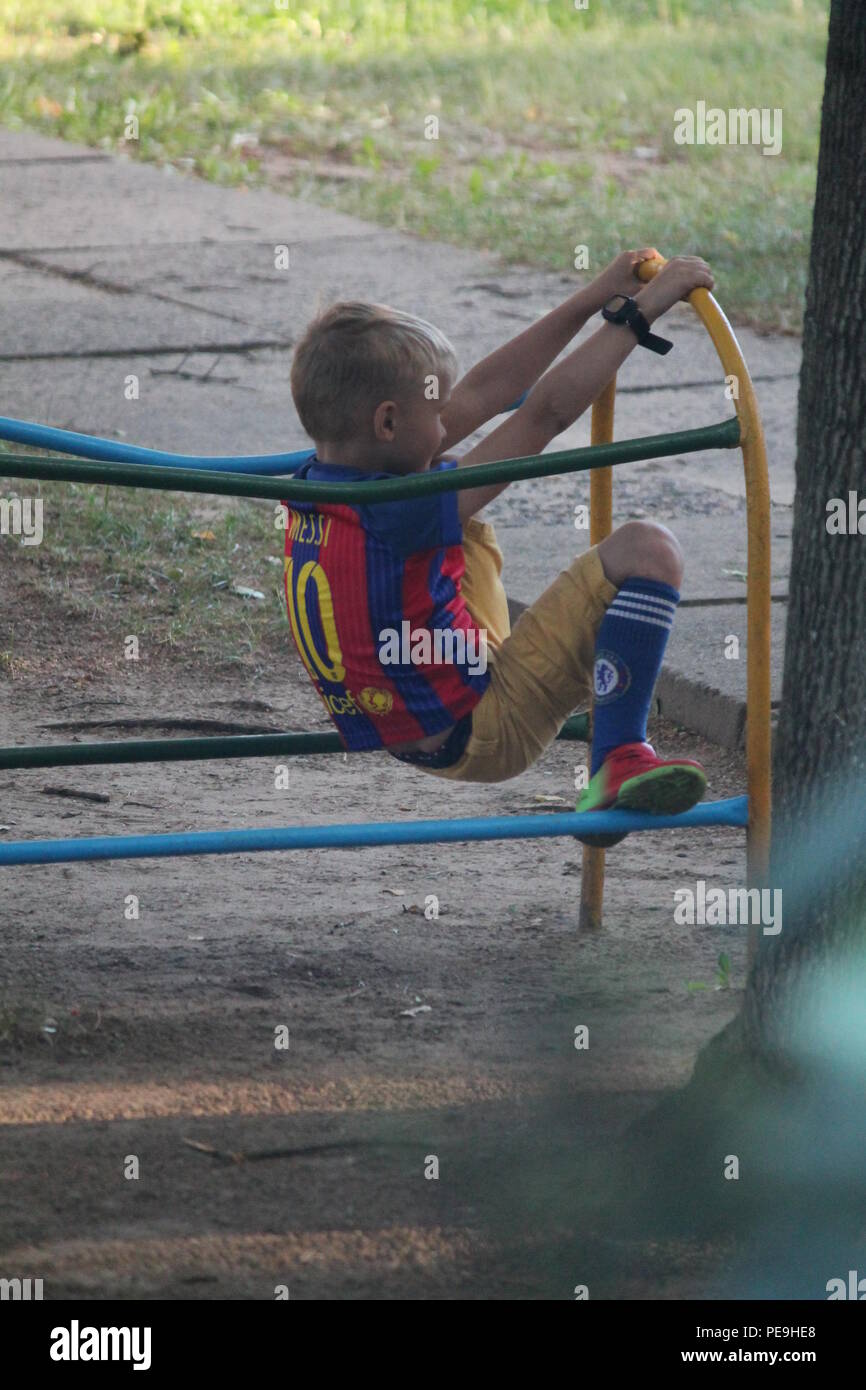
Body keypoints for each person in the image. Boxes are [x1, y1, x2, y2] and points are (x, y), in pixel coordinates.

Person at [282, 251, 713, 844]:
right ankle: (618, 758)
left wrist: (596, 295)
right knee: (650, 550)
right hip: (485, 724)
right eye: (436, 413)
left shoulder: (318, 480)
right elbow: (544, 415)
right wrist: (642, 312)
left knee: (447, 492)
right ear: (387, 423)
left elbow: (488, 390)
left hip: (410, 725)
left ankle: (607, 741)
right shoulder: (401, 508)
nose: (447, 422)